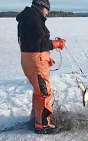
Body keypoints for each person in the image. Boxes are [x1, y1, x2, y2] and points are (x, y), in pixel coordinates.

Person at [16, 0, 66, 133]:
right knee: (44, 93)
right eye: (47, 9)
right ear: (42, 7)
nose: (48, 12)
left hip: (34, 60)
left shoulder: (29, 17)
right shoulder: (33, 19)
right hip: (35, 62)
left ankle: (35, 117)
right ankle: (42, 124)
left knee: (39, 90)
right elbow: (37, 43)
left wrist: (46, 57)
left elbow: (32, 43)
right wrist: (56, 43)